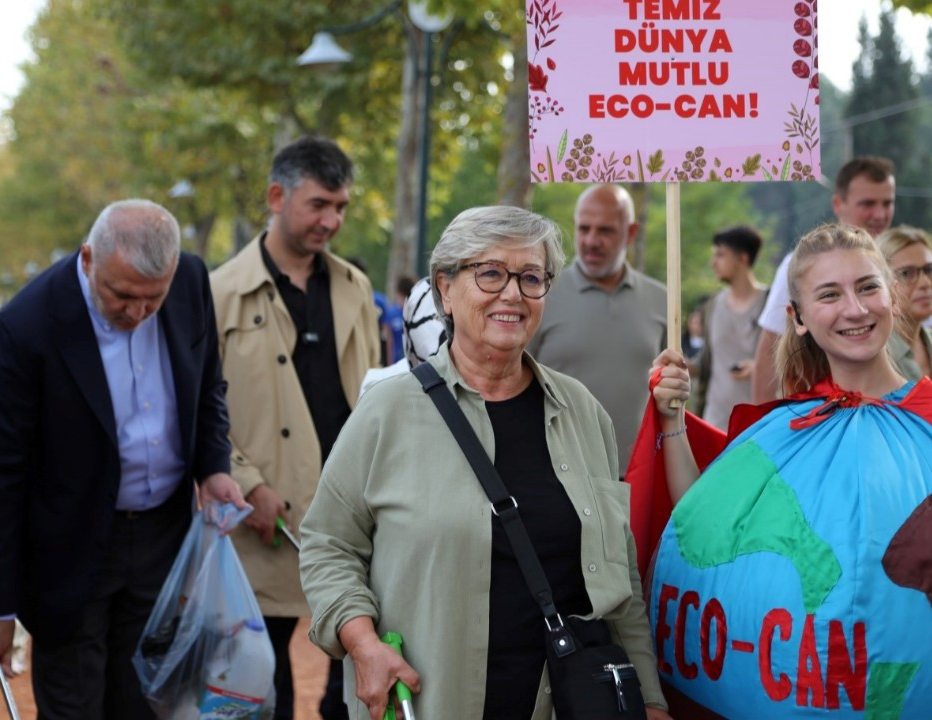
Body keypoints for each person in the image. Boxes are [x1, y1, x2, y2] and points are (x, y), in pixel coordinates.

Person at [639, 223, 932, 719]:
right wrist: (671, 421)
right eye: (830, 294)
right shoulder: (784, 430)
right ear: (797, 318)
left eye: (868, 287)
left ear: (891, 296)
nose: (856, 309)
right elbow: (704, 525)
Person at [300, 206, 670, 720]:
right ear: (445, 289)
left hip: (564, 702)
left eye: (531, 277)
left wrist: (648, 698)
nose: (513, 294)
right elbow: (328, 543)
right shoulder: (386, 412)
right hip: (430, 700)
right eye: (491, 273)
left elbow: (619, 575)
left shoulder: (584, 412)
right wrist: (362, 643)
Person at [0, 199, 247, 718]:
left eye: (151, 300)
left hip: (163, 540)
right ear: (88, 259)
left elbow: (207, 384)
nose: (136, 313)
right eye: (121, 295)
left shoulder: (189, 282)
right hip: (68, 547)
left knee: (145, 700)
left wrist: (214, 466)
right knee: (73, 704)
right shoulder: (26, 326)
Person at [210, 135, 379, 720]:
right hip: (264, 515)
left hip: (352, 509)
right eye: (319, 205)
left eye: (341, 207)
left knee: (356, 671)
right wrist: (245, 485)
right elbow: (201, 410)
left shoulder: (356, 289)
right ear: (277, 196)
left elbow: (376, 393)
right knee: (262, 680)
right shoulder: (218, 294)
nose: (331, 220)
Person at [528, 184, 667, 476]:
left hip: (637, 477)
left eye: (605, 230)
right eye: (584, 228)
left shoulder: (663, 301)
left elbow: (670, 398)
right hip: (557, 475)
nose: (591, 240)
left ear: (631, 233)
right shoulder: (538, 296)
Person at [751, 157, 896, 402]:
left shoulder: (908, 261)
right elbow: (769, 352)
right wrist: (760, 428)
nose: (879, 214)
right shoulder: (800, 265)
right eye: (868, 204)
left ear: (894, 295)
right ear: (838, 203)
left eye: (869, 287)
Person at [692, 225, 768, 429]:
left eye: (720, 255)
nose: (713, 263)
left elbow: (793, 361)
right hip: (715, 422)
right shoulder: (711, 307)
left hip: (759, 424)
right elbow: (708, 362)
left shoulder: (772, 305)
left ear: (742, 259)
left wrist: (762, 367)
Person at [876, 226, 932, 396]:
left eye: (930, 270)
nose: (925, 283)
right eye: (907, 273)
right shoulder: (874, 354)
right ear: (881, 282)